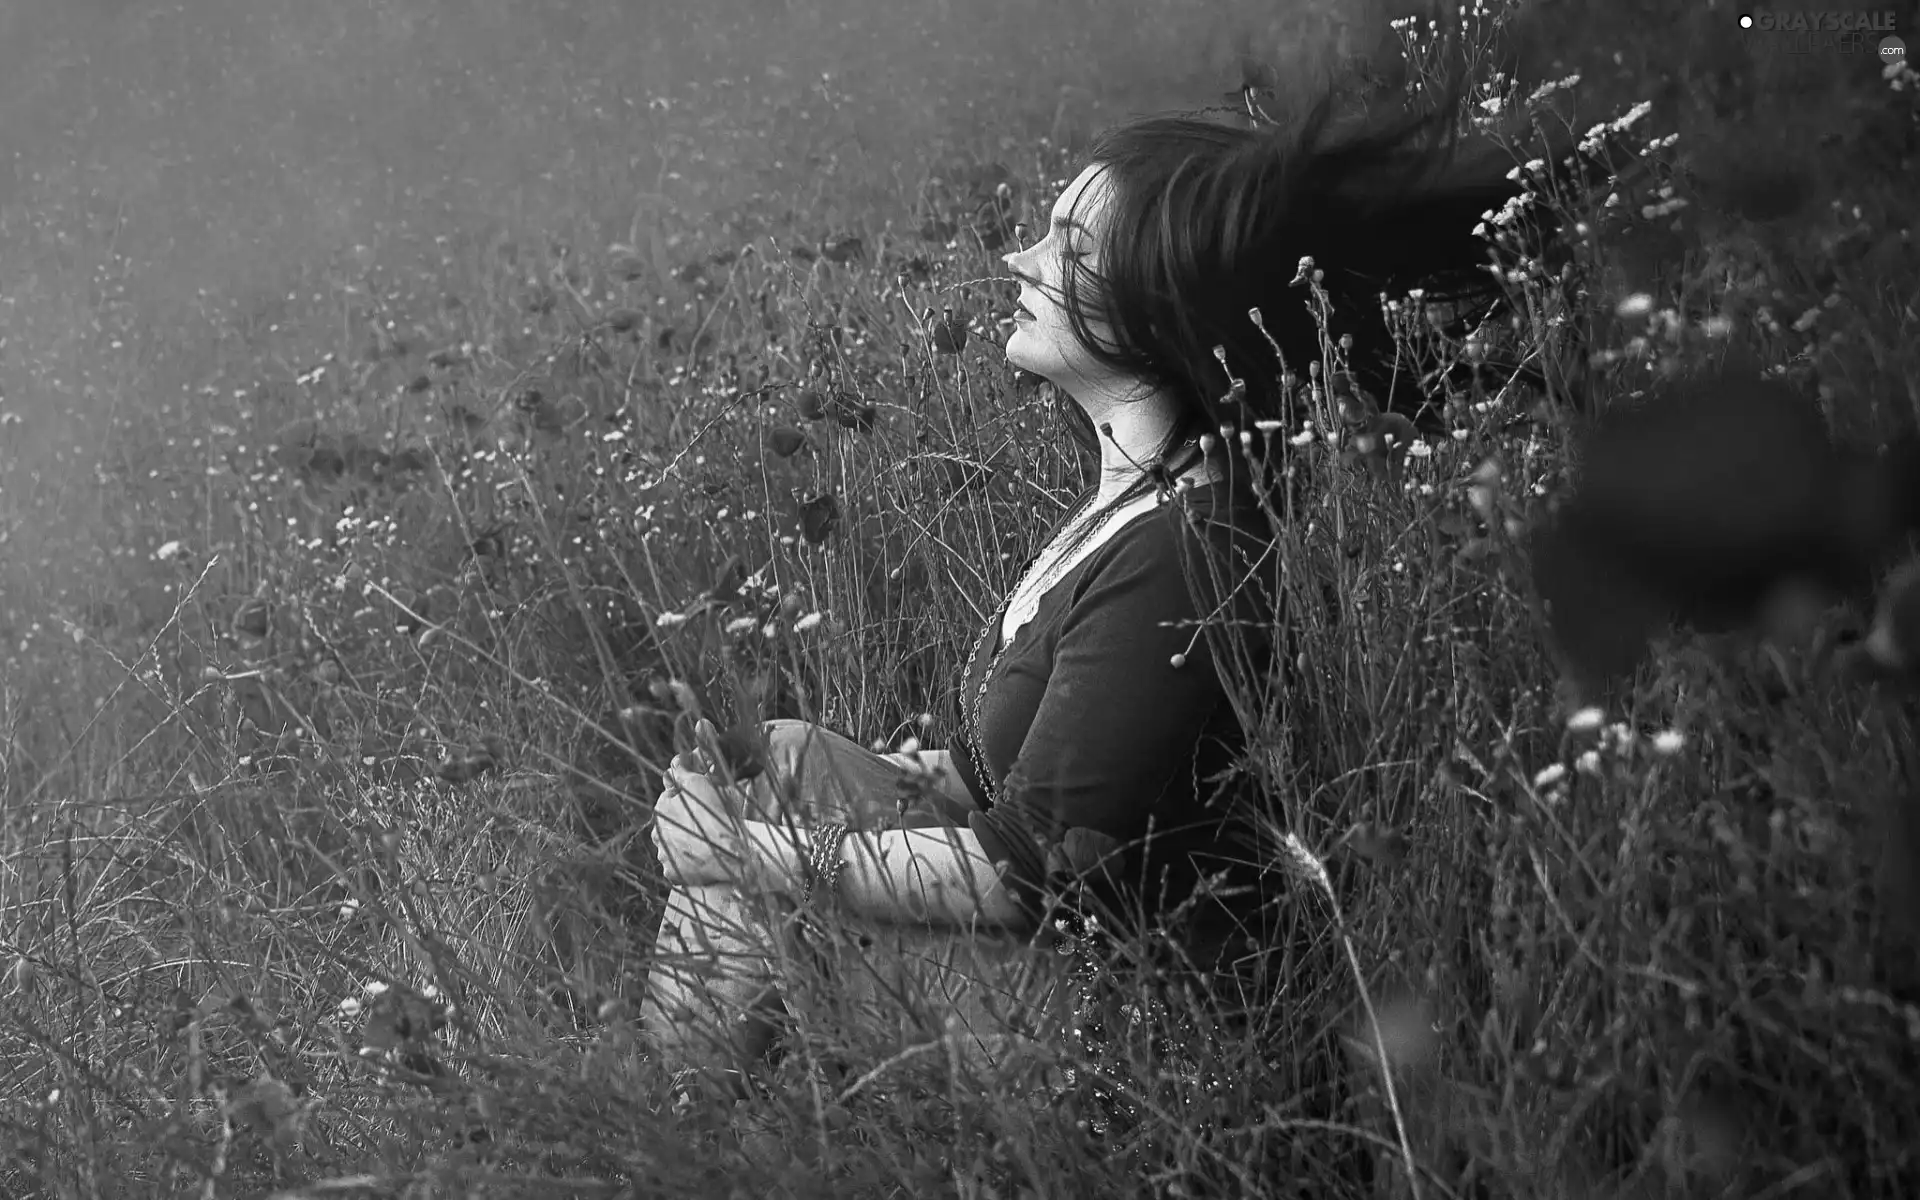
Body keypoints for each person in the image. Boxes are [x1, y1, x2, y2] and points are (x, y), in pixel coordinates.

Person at [642, 78, 1560, 1153]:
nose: (1020, 261)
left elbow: (1023, 875)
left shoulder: (1190, 548)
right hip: (1077, 954)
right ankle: (691, 1125)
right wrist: (920, 778)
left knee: (737, 887)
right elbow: (1067, 790)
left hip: (1133, 1038)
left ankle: (661, 1149)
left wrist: (746, 852)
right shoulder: (1139, 497)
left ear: (1162, 307)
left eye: (1068, 248)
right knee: (785, 758)